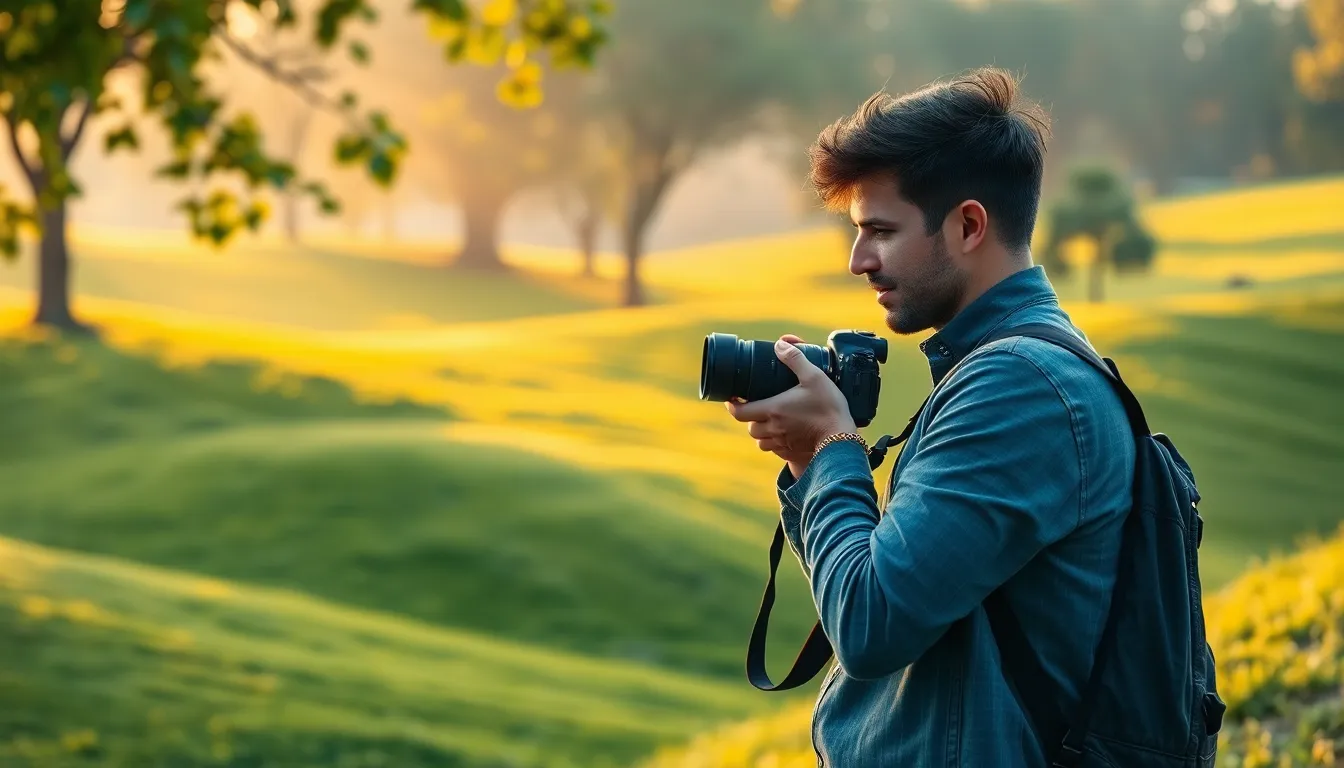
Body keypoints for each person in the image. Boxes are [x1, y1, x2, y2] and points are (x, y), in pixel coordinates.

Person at [725, 67, 1136, 766]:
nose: (859, 260)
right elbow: (894, 585)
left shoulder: (1019, 387)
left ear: (969, 224)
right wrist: (809, 457)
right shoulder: (1005, 368)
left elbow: (871, 624)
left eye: (879, 230)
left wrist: (832, 449)